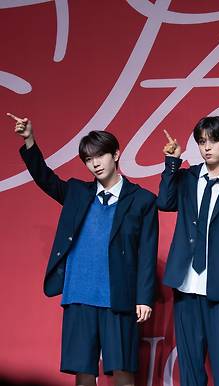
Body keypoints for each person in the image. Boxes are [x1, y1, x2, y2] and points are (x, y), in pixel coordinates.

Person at [9, 113, 157, 386]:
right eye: (88, 159)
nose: (94, 164)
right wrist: (29, 140)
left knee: (123, 372)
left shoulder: (142, 200)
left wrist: (144, 297)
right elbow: (45, 179)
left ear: (116, 154)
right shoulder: (77, 192)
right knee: (84, 372)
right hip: (79, 294)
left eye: (99, 156)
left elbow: (148, 252)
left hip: (119, 296)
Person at [157, 117, 219, 386]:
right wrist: (172, 163)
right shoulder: (187, 178)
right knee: (190, 371)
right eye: (201, 142)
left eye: (213, 141)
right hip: (186, 285)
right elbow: (164, 202)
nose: (206, 147)